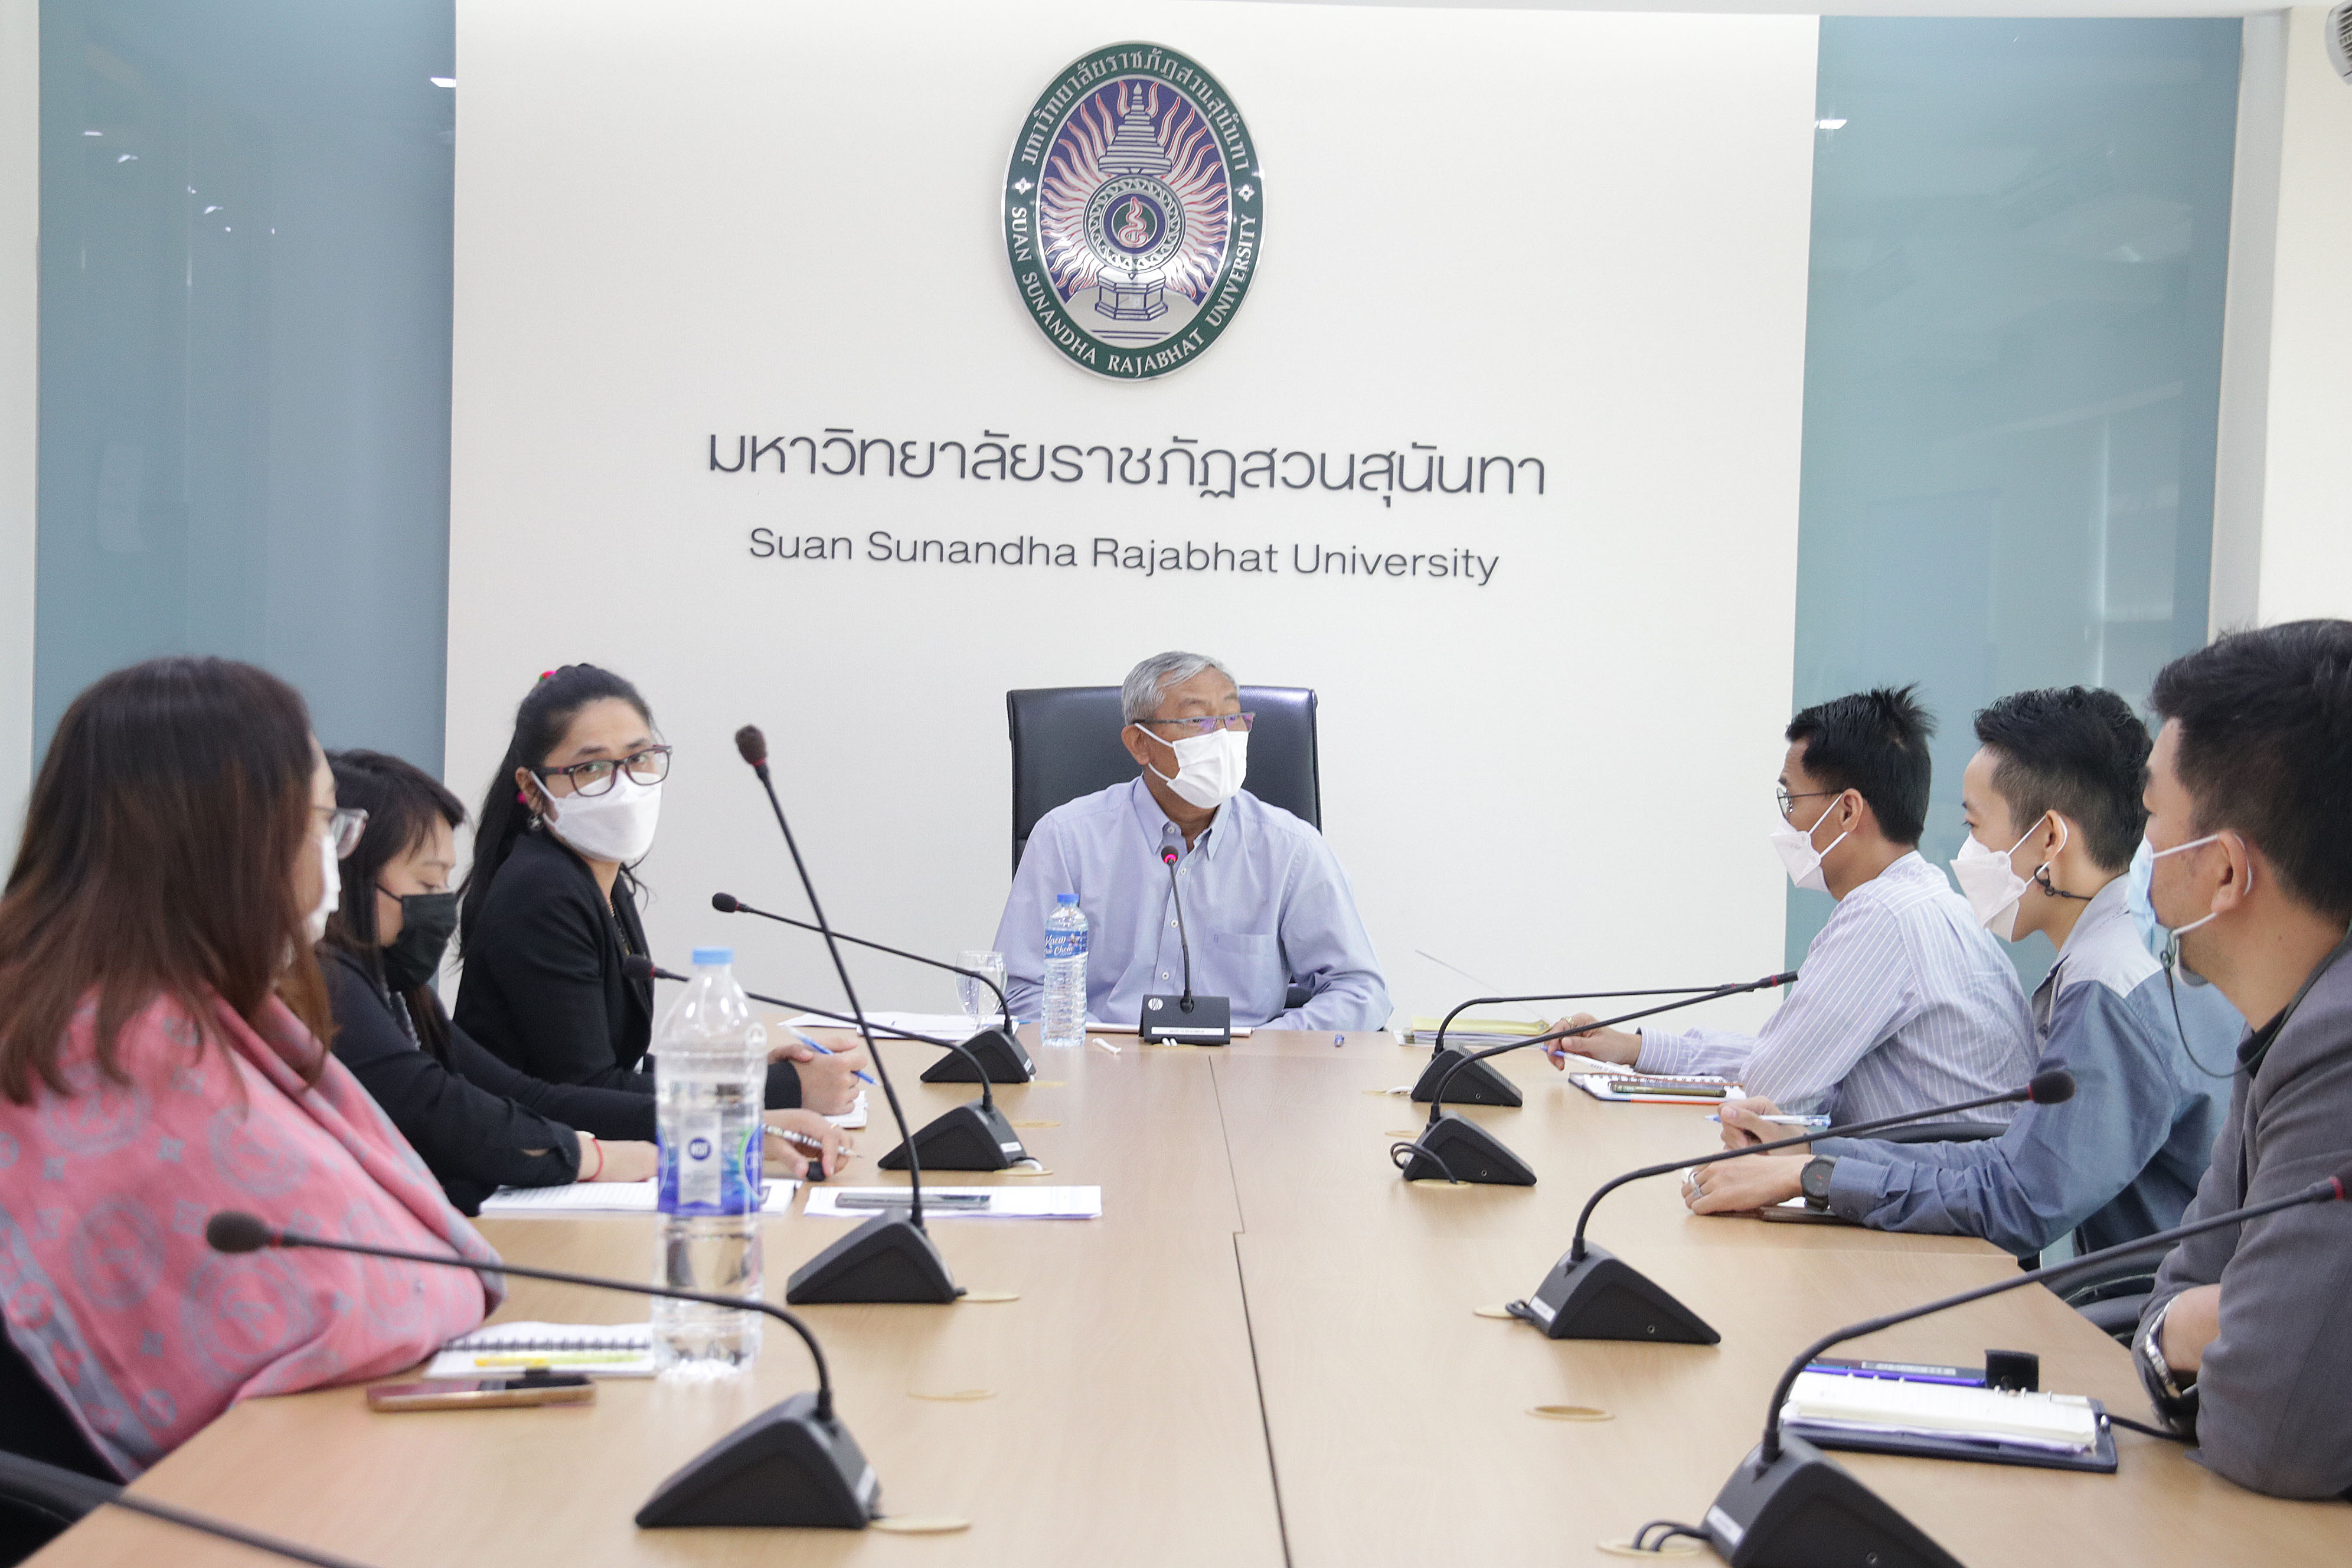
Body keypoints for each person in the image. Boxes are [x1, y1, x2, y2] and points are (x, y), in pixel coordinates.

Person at [0, 658, 495, 1498]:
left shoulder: (85, 1001)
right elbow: (364, 1298)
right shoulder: (132, 1048)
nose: (334, 859)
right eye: (326, 824)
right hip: (178, 1520)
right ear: (233, 837)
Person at [1685, 688, 2236, 1254]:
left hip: (2148, 1303)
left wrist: (1816, 1174)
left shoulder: (2109, 984)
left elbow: (2018, 1200)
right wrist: (1813, 1157)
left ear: (2049, 838)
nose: (1966, 852)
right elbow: (2006, 1164)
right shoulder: (2134, 948)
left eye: (1974, 827)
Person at [324, 750, 847, 1215]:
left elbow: (516, 1094)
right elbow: (445, 1112)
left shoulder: (401, 991)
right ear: (346, 875)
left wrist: (722, 1125)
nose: (442, 901)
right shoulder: (332, 989)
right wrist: (600, 1157)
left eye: (640, 758)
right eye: (426, 882)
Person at [1550, 686, 2034, 1124]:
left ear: (1847, 811)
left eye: (1792, 799)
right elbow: (1787, 1058)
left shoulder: (1884, 918)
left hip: (1930, 1190)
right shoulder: (1933, 903)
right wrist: (1635, 1049)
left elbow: (1774, 1085)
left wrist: (1642, 1052)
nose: (1787, 822)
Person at [2130, 620, 2352, 1500]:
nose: (2142, 850)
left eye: (2152, 816)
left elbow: (2275, 1434)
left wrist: (2208, 1327)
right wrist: (2200, 1323)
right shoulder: (2290, 1024)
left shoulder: (2339, 1043)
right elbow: (2179, 1294)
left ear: (2224, 870)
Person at [454, 665, 864, 1112]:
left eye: (638, 758)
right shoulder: (541, 892)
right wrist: (777, 1090)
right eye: (592, 768)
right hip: (526, 1149)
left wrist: (750, 1072)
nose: (623, 784)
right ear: (533, 790)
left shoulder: (599, 878)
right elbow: (589, 1089)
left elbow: (618, 1066)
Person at [993, 651, 1389, 1030]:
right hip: (1102, 1061)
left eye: (1233, 717)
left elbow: (1360, 992)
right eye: (1198, 720)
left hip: (1245, 1069)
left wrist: (1264, 1049)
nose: (1223, 737)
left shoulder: (1291, 849)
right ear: (1140, 743)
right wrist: (1103, 1051)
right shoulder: (1066, 839)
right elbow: (1021, 991)